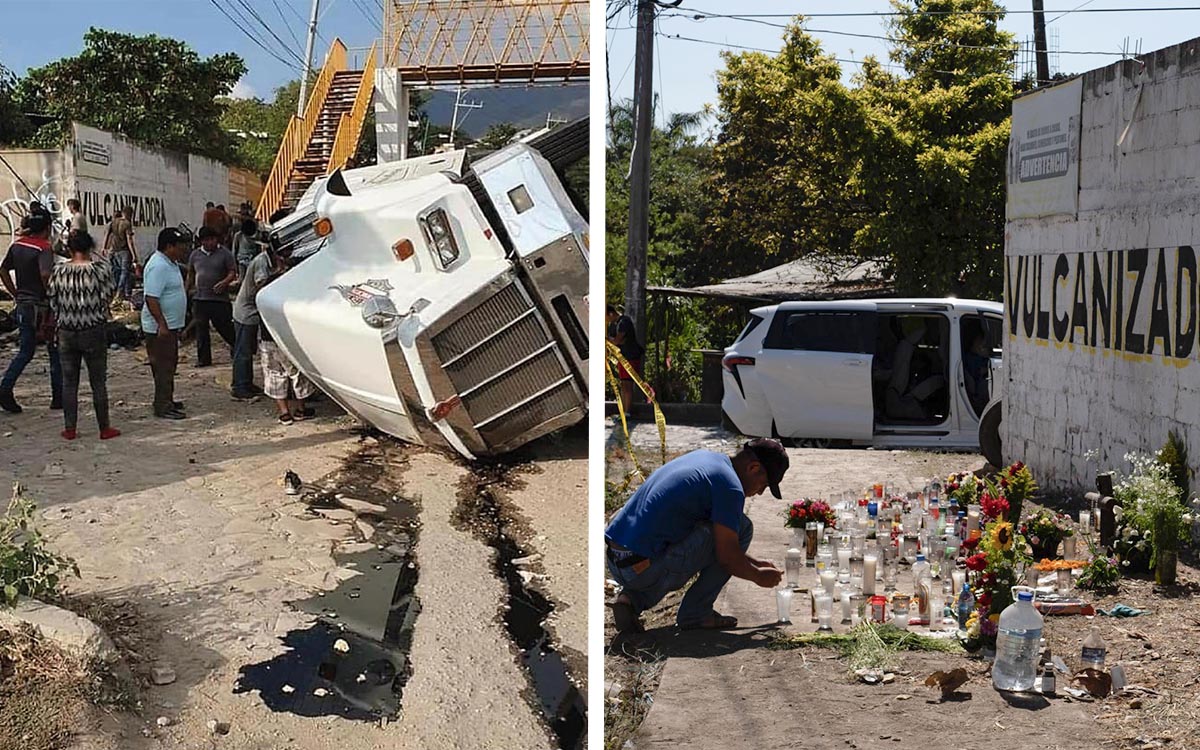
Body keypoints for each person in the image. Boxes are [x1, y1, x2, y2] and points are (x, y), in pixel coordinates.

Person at [605, 438, 789, 633]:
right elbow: (727, 558)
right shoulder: (730, 487)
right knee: (742, 528)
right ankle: (696, 613)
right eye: (764, 485)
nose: (760, 492)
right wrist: (758, 576)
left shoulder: (706, 459)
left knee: (725, 528)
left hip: (618, 560)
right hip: (641, 569)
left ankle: (630, 600)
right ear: (753, 468)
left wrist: (755, 563)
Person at [46, 231, 118, 440]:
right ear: (90, 248)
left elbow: (52, 298)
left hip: (67, 331)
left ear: (69, 248)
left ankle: (70, 428)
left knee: (69, 382)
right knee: (98, 382)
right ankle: (104, 428)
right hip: (93, 330)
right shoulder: (100, 270)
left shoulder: (59, 270)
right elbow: (108, 296)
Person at [0, 202, 63, 413]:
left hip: (23, 304)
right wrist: (54, 295)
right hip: (42, 306)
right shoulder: (43, 248)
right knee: (55, 351)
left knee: (26, 351)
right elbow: (45, 274)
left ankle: (6, 386)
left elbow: (3, 269)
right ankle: (58, 397)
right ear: (46, 228)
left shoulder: (17, 245)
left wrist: (14, 293)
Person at [231, 209, 289, 400]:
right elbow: (261, 286)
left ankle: (246, 383)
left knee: (248, 350)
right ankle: (239, 387)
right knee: (243, 351)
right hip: (246, 312)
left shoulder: (266, 259)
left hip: (252, 311)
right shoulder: (262, 262)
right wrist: (280, 274)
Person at [141, 228, 190, 419]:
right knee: (163, 366)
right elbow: (151, 298)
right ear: (169, 247)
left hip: (170, 325)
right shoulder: (158, 266)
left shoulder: (171, 263)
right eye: (180, 246)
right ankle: (163, 406)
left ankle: (166, 399)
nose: (183, 250)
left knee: (169, 364)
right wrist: (161, 323)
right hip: (160, 328)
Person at [186, 227, 238, 367]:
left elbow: (232, 272)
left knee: (225, 326)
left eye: (212, 239)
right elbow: (190, 273)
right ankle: (203, 359)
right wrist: (186, 290)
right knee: (201, 329)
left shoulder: (225, 254)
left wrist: (225, 282)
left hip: (219, 299)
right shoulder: (195, 255)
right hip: (200, 298)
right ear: (201, 241)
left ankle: (236, 347)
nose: (210, 243)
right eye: (206, 240)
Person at [606, 304, 644, 415]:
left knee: (627, 384)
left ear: (611, 314)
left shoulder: (624, 322)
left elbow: (617, 341)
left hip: (631, 357)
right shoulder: (613, 325)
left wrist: (610, 340)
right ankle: (623, 410)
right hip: (622, 356)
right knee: (623, 384)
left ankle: (627, 411)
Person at [104, 206, 137, 301]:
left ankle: (119, 292)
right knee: (125, 272)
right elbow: (129, 240)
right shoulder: (127, 224)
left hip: (113, 250)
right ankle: (120, 291)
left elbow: (107, 235)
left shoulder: (113, 222)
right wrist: (134, 255)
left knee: (116, 272)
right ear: (130, 214)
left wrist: (104, 247)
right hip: (124, 251)